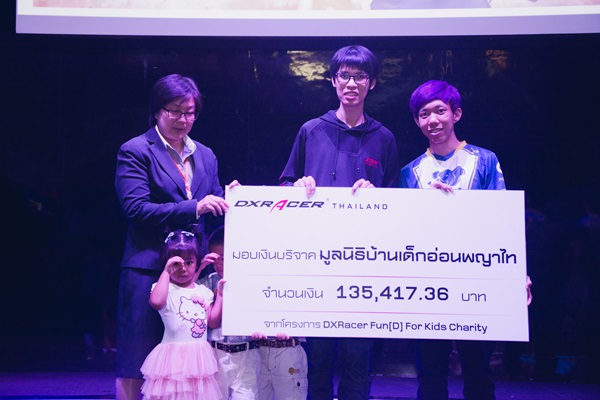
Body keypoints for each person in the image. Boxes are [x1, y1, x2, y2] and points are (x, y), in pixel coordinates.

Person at [279, 44, 400, 400]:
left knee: (358, 359)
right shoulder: (311, 130)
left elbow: (397, 202)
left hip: (364, 264)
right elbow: (284, 184)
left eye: (360, 76)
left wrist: (377, 195)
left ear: (372, 83)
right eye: (344, 75)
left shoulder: (384, 137)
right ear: (333, 80)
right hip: (315, 262)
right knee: (316, 358)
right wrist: (296, 186)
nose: (351, 83)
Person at [400, 79, 532, 400]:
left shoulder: (485, 160)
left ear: (456, 114)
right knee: (430, 378)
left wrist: (518, 272)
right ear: (417, 121)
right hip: (428, 286)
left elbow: (502, 221)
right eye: (424, 114)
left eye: (440, 111)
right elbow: (404, 233)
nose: (432, 120)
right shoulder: (410, 172)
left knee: (479, 376)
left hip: (476, 282)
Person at [114, 73, 234, 400]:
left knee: (188, 361)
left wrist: (233, 197)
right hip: (147, 268)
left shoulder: (205, 154)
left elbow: (212, 202)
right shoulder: (136, 150)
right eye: (175, 111)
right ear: (156, 110)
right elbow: (136, 208)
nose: (183, 120)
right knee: (135, 359)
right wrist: (195, 207)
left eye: (190, 113)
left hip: (192, 274)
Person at [140, 229, 223, 400]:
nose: (183, 269)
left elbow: (213, 322)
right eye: (177, 264)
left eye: (189, 262)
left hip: (198, 360)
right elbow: (156, 302)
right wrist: (166, 272)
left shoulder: (204, 291)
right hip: (172, 359)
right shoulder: (165, 288)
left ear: (197, 262)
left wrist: (221, 295)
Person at [199, 226, 262, 399]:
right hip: (216, 354)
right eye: (215, 259)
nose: (219, 264)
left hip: (246, 354)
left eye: (224, 258)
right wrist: (201, 267)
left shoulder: (252, 281)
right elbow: (188, 288)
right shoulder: (208, 282)